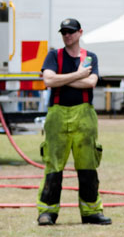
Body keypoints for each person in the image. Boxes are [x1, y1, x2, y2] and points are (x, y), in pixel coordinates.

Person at [37, 18, 108, 225]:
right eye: (64, 32)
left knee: (88, 166)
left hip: (84, 116)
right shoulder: (53, 55)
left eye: (70, 31)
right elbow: (48, 80)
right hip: (57, 115)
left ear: (80, 32)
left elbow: (91, 82)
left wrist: (61, 79)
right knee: (53, 166)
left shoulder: (90, 57)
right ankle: (47, 212)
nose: (67, 35)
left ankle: (91, 212)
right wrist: (77, 75)